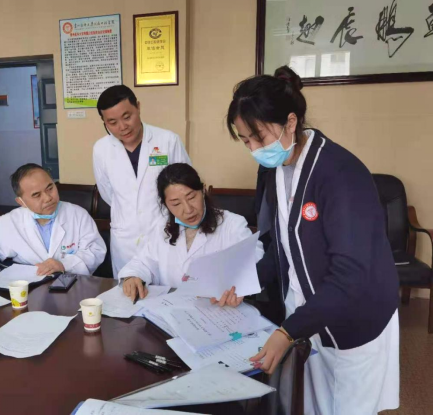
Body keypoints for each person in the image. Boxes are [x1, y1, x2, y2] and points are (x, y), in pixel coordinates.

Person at [227, 66, 399, 414]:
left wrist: (288, 331)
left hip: (353, 322)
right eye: (245, 141)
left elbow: (351, 274)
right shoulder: (280, 169)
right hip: (311, 317)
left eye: (258, 137)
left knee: (347, 405)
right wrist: (244, 282)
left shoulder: (340, 173)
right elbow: (282, 248)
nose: (254, 149)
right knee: (312, 403)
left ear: (290, 122)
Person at [118, 163, 264, 306]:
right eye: (176, 204)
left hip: (216, 310)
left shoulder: (232, 225)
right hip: (171, 310)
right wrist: (133, 276)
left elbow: (255, 261)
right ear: (166, 205)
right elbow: (144, 262)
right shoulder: (162, 228)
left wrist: (234, 284)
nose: (188, 210)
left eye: (192, 197)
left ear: (203, 190)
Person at [93, 85, 191, 278]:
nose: (122, 127)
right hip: (125, 241)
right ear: (104, 122)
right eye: (112, 122)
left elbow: (186, 185)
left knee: (168, 289)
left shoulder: (168, 140)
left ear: (138, 107)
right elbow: (107, 192)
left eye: (127, 117)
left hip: (164, 233)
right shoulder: (101, 149)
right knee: (129, 291)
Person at [0, 164, 106, 278]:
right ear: (21, 202)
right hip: (29, 289)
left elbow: (95, 251)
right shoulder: (9, 222)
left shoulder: (78, 215)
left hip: (73, 285)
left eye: (50, 188)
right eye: (36, 195)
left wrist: (63, 264)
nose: (48, 198)